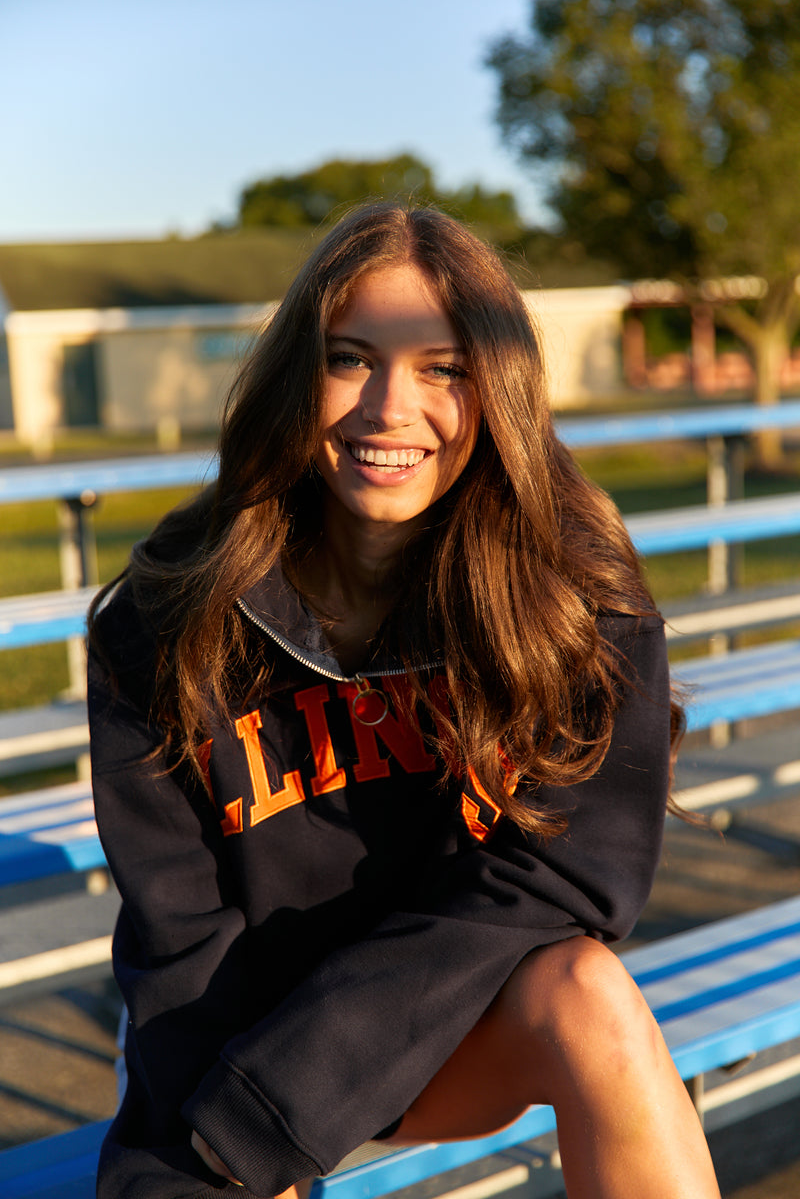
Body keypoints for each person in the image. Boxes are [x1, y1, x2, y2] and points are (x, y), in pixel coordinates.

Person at [88, 202, 720, 1199]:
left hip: (445, 1026)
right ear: (300, 375)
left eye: (443, 368)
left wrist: (285, 1104)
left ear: (496, 389)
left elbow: (574, 881)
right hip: (233, 1041)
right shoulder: (168, 615)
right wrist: (235, 1143)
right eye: (350, 358)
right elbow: (175, 932)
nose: (389, 407)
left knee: (593, 996)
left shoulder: (570, 595)